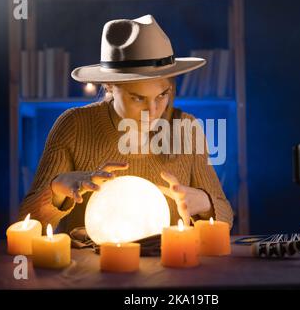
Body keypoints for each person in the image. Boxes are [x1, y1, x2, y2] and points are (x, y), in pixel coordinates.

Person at [18, 15, 234, 234]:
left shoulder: (187, 128)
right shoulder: (73, 126)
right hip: (91, 267)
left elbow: (226, 216)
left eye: (162, 95)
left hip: (171, 265)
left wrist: (204, 202)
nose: (153, 111)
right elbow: (26, 222)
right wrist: (58, 187)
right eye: (137, 98)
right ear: (109, 85)